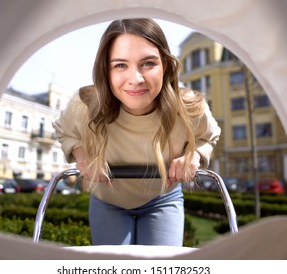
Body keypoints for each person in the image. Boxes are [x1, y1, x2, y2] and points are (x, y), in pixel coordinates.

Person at [53, 18, 220, 246]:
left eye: (148, 63)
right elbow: (64, 131)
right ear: (106, 70)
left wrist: (194, 155)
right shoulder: (85, 105)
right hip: (107, 200)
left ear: (166, 66)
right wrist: (82, 155)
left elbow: (209, 135)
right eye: (120, 65)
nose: (136, 79)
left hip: (162, 198)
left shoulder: (190, 107)